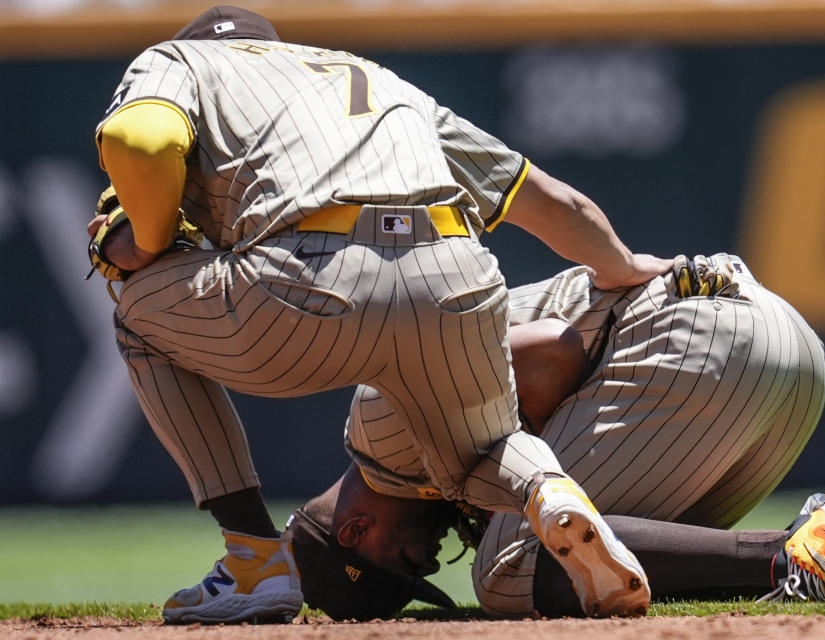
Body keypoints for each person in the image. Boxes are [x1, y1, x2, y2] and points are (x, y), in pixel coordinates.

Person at [87, 4, 666, 626]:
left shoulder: (182, 61)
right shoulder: (371, 78)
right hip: (453, 274)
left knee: (138, 318)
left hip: (306, 282)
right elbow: (551, 200)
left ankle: (254, 559)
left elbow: (139, 139)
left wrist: (147, 243)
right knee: (481, 452)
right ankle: (549, 493)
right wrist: (623, 268)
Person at [284, 255, 825, 620]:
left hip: (699, 341)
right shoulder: (414, 467)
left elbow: (553, 351)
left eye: (407, 563)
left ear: (356, 530)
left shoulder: (380, 417)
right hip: (784, 358)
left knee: (510, 570)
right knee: (598, 562)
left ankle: (784, 557)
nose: (431, 561)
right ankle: (804, 558)